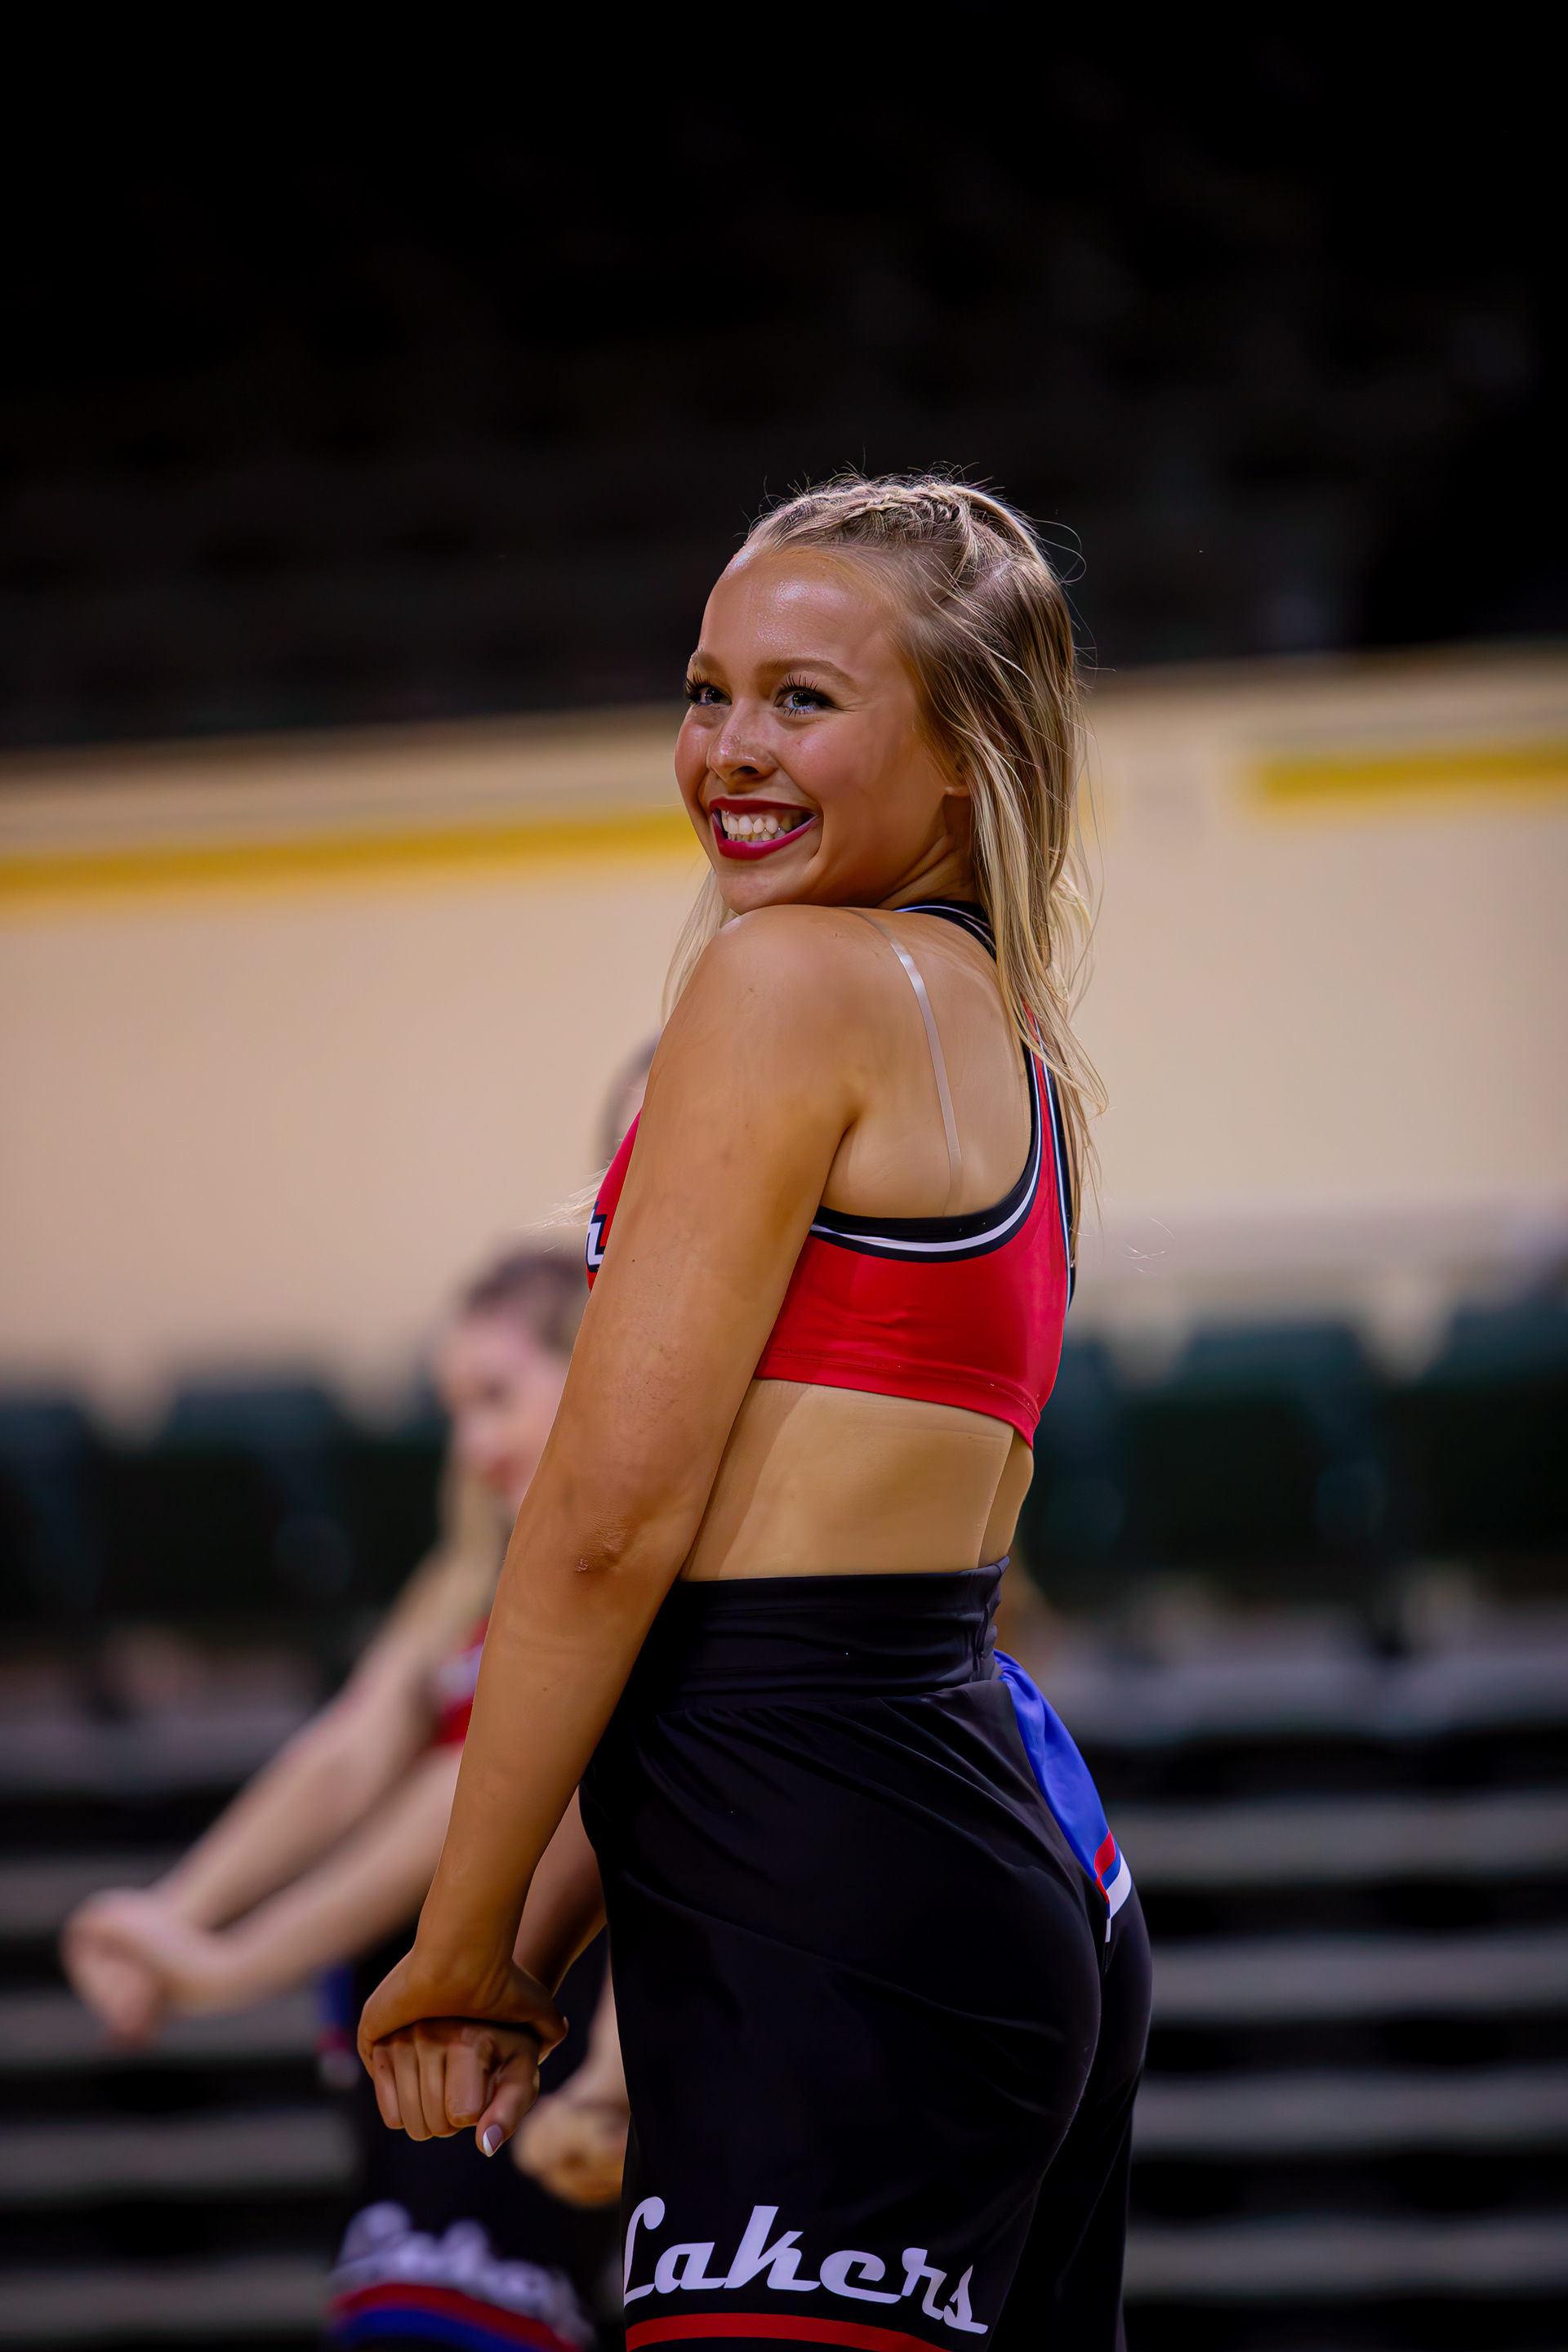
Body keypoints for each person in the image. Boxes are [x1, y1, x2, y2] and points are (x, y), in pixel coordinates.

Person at [359, 474, 1153, 2352]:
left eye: (805, 698)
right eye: (707, 692)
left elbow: (608, 1531)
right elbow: (737, 1623)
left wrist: (459, 1941)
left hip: (837, 1895)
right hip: (955, 1861)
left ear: (966, 751)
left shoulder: (789, 980)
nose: (730, 749)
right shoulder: (1002, 1037)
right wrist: (538, 1934)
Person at [60, 1248, 624, 2350]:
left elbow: (472, 1798)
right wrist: (171, 1915)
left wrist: (228, 1964)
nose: (471, 1444)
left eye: (497, 1396)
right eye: (454, 1408)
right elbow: (346, 1754)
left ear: (590, 1371)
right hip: (410, 2067)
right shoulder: (467, 1583)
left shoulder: (611, 1581)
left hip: (519, 2041)